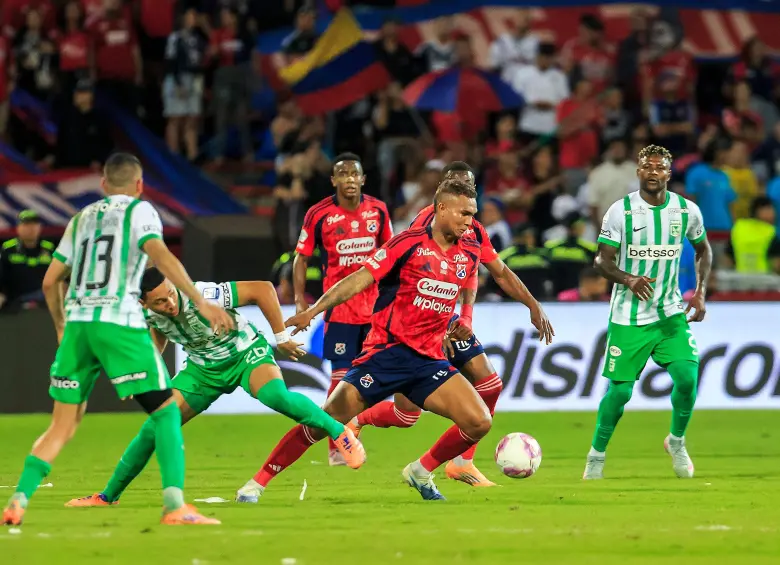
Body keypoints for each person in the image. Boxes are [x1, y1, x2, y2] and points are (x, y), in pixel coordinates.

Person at [236, 178, 554, 503]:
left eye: (472, 215)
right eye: (462, 214)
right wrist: (314, 310)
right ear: (440, 208)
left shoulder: (471, 246)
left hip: (429, 361)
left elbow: (501, 273)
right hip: (385, 355)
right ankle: (256, 484)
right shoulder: (408, 243)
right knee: (323, 422)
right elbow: (360, 278)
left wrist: (532, 304)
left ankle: (420, 470)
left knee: (478, 422)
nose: (468, 222)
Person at [2, 153, 234, 526]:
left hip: (78, 324)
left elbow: (50, 281)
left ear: (103, 185)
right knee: (166, 411)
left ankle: (18, 500)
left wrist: (61, 326)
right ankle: (174, 505)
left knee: (61, 425)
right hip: (118, 320)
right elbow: (158, 254)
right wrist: (199, 299)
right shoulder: (140, 212)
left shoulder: (80, 219)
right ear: (139, 185)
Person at [64, 268, 364, 508]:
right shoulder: (146, 314)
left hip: (245, 353)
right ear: (144, 303)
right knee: (154, 427)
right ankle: (107, 496)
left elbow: (262, 289)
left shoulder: (201, 294)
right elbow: (158, 333)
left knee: (275, 396)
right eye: (160, 302)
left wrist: (281, 335)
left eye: (170, 294)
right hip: (203, 370)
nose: (169, 303)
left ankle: (340, 433)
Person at [344, 162, 554, 488]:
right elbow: (413, 279)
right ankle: (358, 419)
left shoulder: (472, 229)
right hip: (416, 322)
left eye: (468, 186)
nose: (463, 193)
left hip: (448, 315)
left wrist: (518, 306)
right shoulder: (425, 223)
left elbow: (481, 271)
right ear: (444, 192)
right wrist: (438, 330)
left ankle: (460, 462)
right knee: (406, 416)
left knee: (491, 384)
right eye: (456, 184)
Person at [584, 144, 712, 480]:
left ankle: (677, 440)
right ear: (638, 172)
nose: (652, 172)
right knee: (621, 391)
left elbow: (703, 250)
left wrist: (699, 293)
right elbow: (601, 260)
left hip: (669, 313)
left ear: (669, 173)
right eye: (646, 166)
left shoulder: (686, 211)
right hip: (629, 317)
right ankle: (596, 454)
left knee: (687, 377)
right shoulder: (621, 211)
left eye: (659, 167)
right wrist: (628, 279)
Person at [288, 152, 392, 467]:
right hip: (340, 312)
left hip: (375, 310)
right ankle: (337, 446)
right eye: (342, 174)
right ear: (333, 181)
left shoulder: (378, 211)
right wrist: (299, 299)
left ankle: (352, 429)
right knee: (341, 377)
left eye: (353, 174)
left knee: (373, 379)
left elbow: (391, 253)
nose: (348, 180)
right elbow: (301, 257)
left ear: (363, 179)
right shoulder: (318, 214)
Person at [0, 210, 54, 310]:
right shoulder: (8, 248)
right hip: (15, 301)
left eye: (34, 225)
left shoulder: (49, 248)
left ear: (39, 227)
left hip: (44, 303)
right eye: (26, 225)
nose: (30, 229)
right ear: (18, 228)